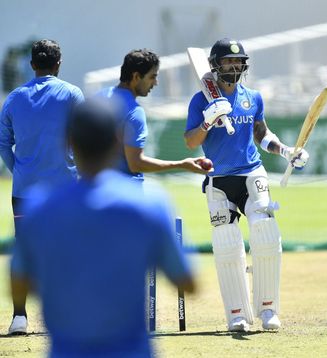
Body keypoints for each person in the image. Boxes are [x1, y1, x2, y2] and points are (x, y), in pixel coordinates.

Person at [10, 100, 195, 357]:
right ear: (118, 141)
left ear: (69, 142)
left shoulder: (39, 208)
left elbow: (18, 286)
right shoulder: (150, 204)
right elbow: (187, 281)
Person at [184, 38, 309, 332]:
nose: (235, 66)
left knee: (266, 233)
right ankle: (237, 315)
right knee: (227, 243)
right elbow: (190, 142)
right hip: (219, 178)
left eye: (238, 62)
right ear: (215, 65)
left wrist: (287, 151)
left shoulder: (252, 97)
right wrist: (207, 122)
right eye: (228, 61)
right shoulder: (200, 100)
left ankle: (268, 310)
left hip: (252, 173)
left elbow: (262, 135)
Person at [0, 39, 84, 335]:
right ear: (58, 64)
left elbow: (2, 143)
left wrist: (19, 170)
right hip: (65, 190)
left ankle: (19, 318)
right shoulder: (73, 94)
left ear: (32, 64)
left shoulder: (13, 98)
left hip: (24, 191)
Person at [98, 49, 208, 181]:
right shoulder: (134, 112)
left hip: (96, 189)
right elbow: (135, 163)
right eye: (152, 77)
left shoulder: (98, 99)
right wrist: (181, 164)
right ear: (136, 77)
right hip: (126, 191)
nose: (155, 83)